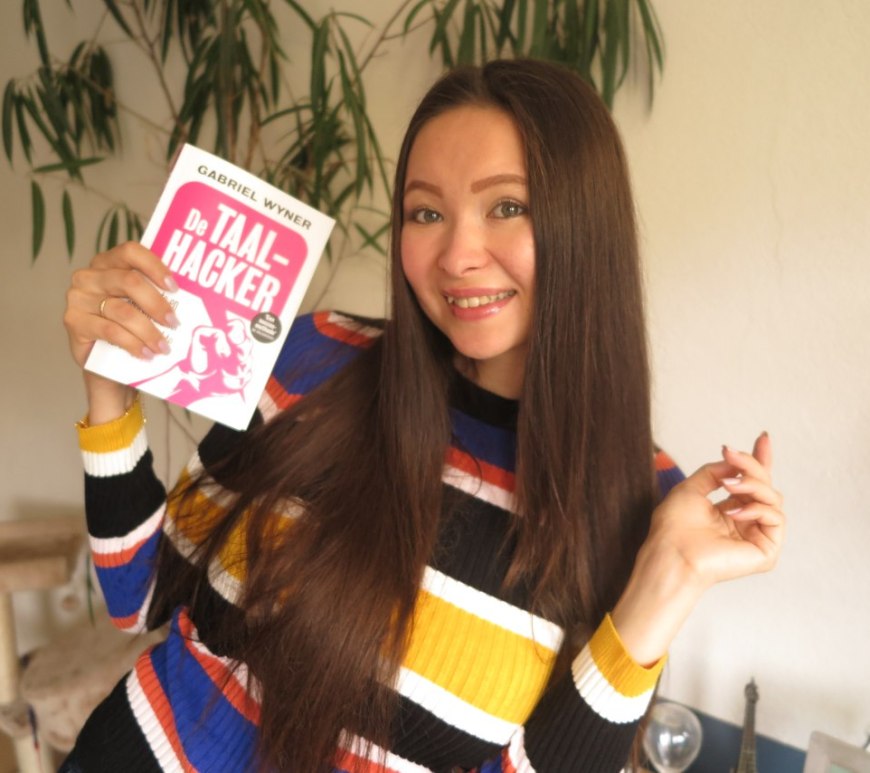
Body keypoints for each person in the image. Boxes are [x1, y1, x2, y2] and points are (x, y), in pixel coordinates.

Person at [61, 59, 784, 772]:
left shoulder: (643, 503)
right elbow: (142, 596)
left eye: (507, 206)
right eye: (426, 213)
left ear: (584, 225)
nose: (457, 256)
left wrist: (671, 574)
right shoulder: (315, 358)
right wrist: (109, 390)